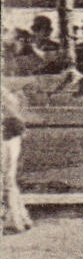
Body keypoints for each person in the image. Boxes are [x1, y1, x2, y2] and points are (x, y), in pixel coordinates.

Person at [3, 84, 31, 236]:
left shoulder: (4, 94)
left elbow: (14, 119)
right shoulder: (5, 92)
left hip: (6, 140)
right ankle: (22, 218)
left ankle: (15, 222)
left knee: (6, 181)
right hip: (10, 139)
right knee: (9, 181)